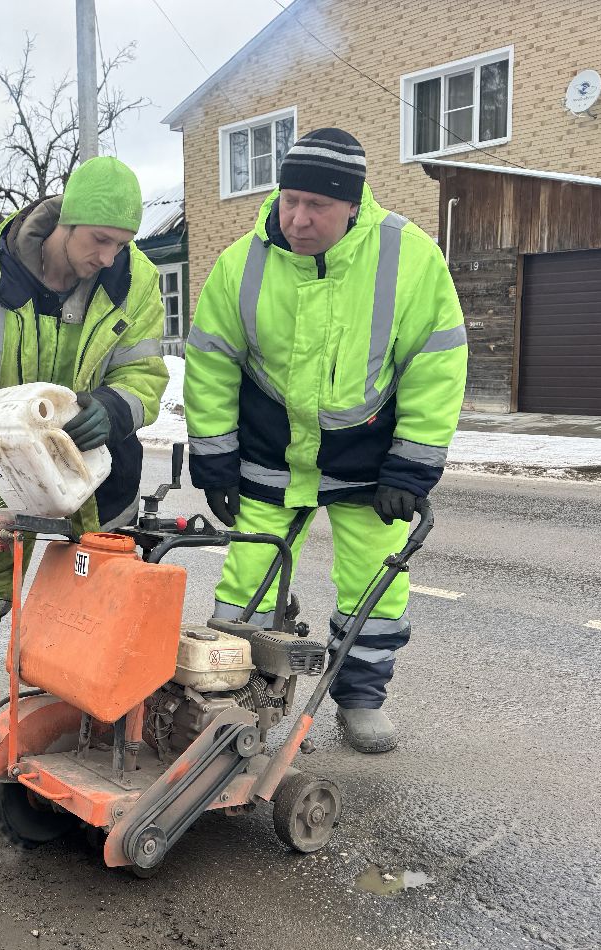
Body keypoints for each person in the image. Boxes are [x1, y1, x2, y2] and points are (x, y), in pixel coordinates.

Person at [183, 129, 467, 753]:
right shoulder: (242, 263)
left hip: (368, 461)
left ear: (352, 205)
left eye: (317, 205)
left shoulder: (409, 258)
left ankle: (360, 699)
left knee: (374, 584)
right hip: (271, 453)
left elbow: (436, 366)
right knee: (247, 580)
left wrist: (411, 470)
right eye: (290, 200)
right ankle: (236, 698)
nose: (298, 219)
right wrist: (214, 459)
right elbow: (210, 364)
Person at [0, 156, 170, 773]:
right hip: (5, 469)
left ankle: (89, 716)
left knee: (100, 587)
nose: (110, 257)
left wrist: (113, 408)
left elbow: (144, 376)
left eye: (122, 244)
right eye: (100, 240)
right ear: (67, 223)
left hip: (94, 470)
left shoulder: (134, 281)